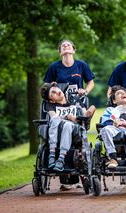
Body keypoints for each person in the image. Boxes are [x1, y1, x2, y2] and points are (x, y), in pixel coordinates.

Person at [43, 40, 95, 189]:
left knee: (75, 131)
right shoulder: (54, 67)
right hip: (59, 105)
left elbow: (90, 82)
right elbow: (45, 87)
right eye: (63, 46)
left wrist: (85, 91)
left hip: (76, 103)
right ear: (60, 52)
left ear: (73, 49)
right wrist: (52, 90)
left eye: (68, 45)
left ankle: (78, 173)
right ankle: (66, 180)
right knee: (61, 125)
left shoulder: (81, 65)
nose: (66, 46)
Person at [40, 82, 96, 172]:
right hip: (57, 130)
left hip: (74, 129)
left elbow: (84, 116)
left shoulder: (75, 99)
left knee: (68, 124)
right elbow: (53, 117)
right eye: (52, 93)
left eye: (55, 89)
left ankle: (61, 159)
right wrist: (66, 117)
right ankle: (52, 154)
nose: (57, 92)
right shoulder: (50, 105)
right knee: (56, 120)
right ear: (51, 100)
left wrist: (90, 111)